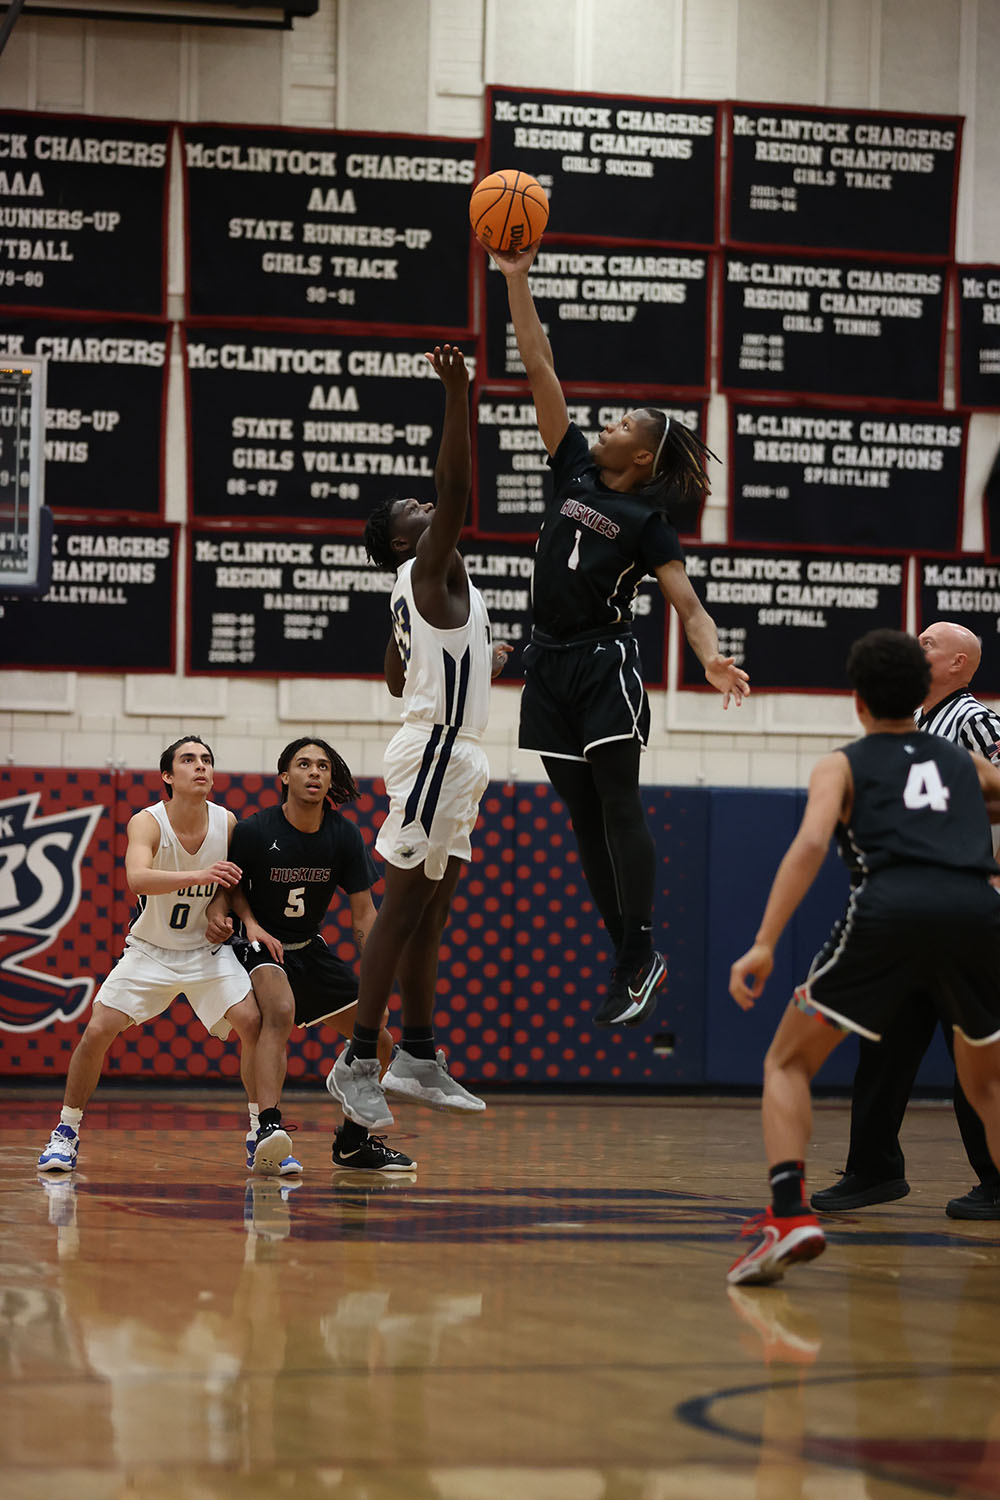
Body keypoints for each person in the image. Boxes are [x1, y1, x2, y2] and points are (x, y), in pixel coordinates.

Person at [489, 241, 750, 1027]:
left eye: (620, 423)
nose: (603, 424)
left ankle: (636, 950)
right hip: (549, 664)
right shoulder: (570, 467)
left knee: (619, 802)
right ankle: (632, 955)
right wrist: (515, 278)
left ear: (640, 456)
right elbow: (539, 364)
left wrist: (710, 659)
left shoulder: (648, 521)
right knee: (580, 817)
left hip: (605, 663)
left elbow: (688, 605)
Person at [727, 629, 1000, 1286]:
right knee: (989, 1085)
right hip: (975, 911)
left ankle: (789, 1215)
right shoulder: (964, 763)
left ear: (857, 701)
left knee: (787, 1061)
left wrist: (765, 940)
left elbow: (810, 846)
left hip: (891, 909)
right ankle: (871, 1170)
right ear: (919, 693)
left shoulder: (841, 764)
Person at [328, 343, 510, 1134]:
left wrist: (481, 658)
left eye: (423, 505)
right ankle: (359, 1059)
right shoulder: (429, 569)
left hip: (454, 749)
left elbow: (401, 677)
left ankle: (420, 1056)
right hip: (435, 750)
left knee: (432, 915)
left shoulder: (424, 590)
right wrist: (457, 393)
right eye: (417, 513)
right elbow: (460, 487)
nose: (430, 510)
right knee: (401, 912)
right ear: (406, 544)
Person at [811, 621, 1000, 1219]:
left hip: (966, 911)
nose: (917, 648)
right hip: (914, 915)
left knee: (975, 1054)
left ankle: (995, 1178)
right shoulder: (913, 728)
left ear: (959, 665)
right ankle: (872, 1170)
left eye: (929, 644)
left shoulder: (973, 719)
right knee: (886, 1046)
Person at [36, 736, 265, 1174]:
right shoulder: (148, 822)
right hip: (151, 951)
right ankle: (66, 1132)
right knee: (99, 1027)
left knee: (251, 1022)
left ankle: (260, 1134)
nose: (201, 767)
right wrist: (201, 874)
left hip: (206, 952)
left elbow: (231, 886)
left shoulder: (228, 823)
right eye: (188, 760)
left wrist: (223, 912)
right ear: (167, 775)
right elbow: (138, 879)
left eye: (206, 760)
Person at [205, 736, 414, 1173]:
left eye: (322, 766)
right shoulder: (256, 830)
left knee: (379, 1038)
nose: (314, 772)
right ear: (285, 777)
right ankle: (268, 1127)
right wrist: (237, 922)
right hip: (256, 942)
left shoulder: (343, 835)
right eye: (303, 764)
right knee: (279, 1010)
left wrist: (377, 975)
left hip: (308, 947)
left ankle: (355, 1143)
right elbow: (230, 890)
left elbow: (363, 915)